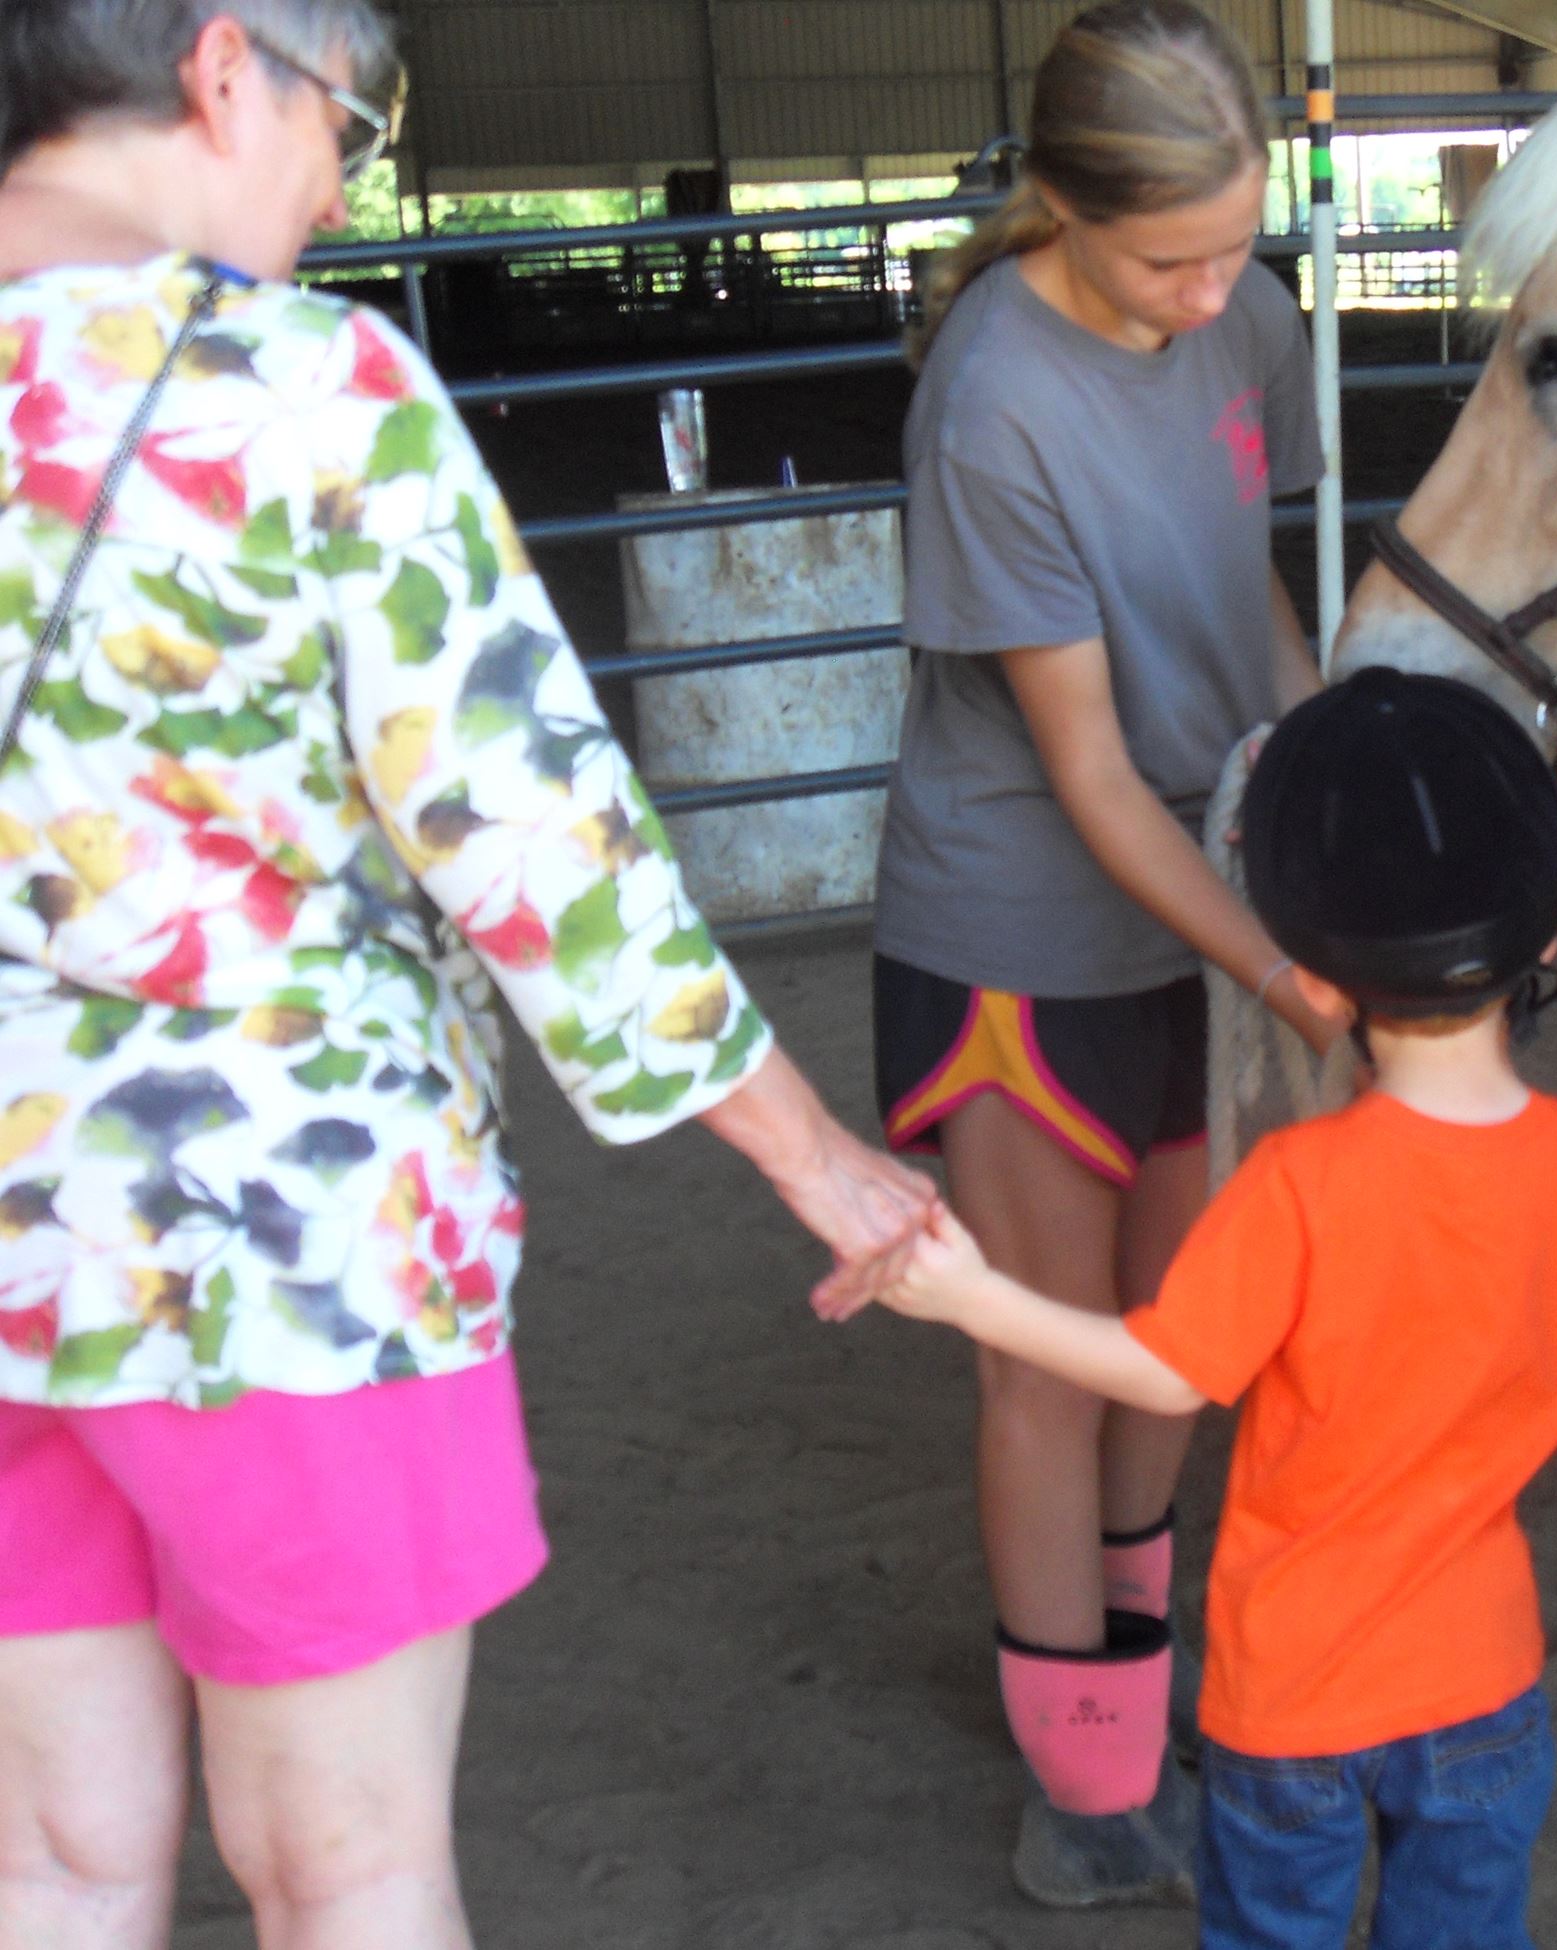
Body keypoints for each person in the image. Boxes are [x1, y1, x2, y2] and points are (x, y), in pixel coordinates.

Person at [0, 5, 934, 1946]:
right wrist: (812, 1156)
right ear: (223, 66)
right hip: (290, 1263)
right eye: (353, 117)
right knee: (344, 1873)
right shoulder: (307, 390)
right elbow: (541, 852)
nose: (345, 181)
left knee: (57, 1865)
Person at [841, 669, 1557, 1948]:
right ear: (1535, 943)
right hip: (1484, 1694)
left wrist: (974, 1295)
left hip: (1294, 1704)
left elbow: (1159, 1373)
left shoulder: (1302, 1187)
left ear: (1307, 958)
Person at [874, 0, 1344, 1907]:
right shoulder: (993, 402)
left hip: (1206, 877)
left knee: (1178, 1351)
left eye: (1238, 244)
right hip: (1028, 932)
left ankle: (1133, 1696)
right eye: (1172, 257)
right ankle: (1079, 1782)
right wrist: (1293, 969)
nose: (1212, 287)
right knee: (1051, 1368)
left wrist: (1325, 818)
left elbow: (1256, 606)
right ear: (1060, 206)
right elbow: (1088, 776)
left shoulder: (1242, 314)